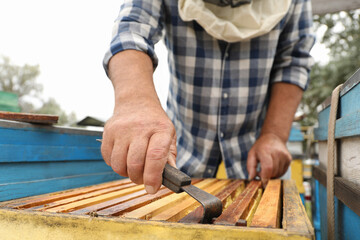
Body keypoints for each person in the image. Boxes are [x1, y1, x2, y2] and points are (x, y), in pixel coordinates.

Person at [101, 0, 315, 194]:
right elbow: (131, 31)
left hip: (256, 163)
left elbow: (293, 62)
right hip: (182, 154)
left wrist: (275, 134)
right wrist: (136, 103)